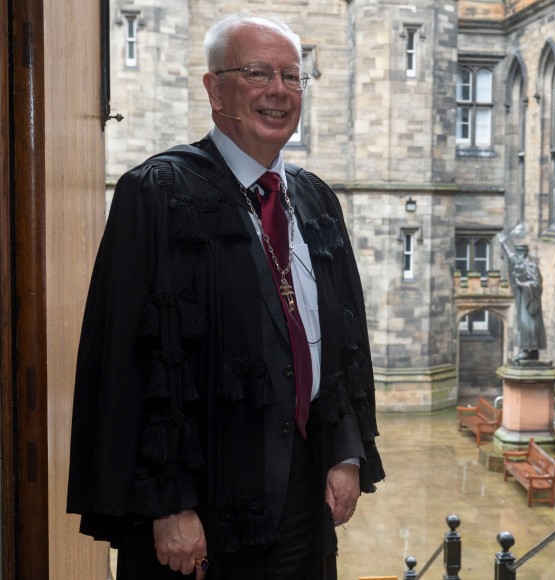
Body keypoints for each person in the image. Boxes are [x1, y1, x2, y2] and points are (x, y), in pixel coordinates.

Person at [66, 15, 384, 579]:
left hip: (303, 491)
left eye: (293, 75)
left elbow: (340, 341)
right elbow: (129, 363)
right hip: (205, 504)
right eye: (257, 72)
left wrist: (344, 449)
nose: (278, 90)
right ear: (215, 89)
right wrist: (168, 503)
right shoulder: (160, 193)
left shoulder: (314, 199)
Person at [498, 234, 547, 362]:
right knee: (523, 324)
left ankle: (529, 350)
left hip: (530, 300)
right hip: (522, 298)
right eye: (517, 253)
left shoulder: (531, 266)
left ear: (524, 254)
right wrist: (503, 243)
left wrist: (522, 285)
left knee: (529, 324)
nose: (517, 256)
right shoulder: (518, 263)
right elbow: (510, 257)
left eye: (519, 254)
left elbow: (537, 283)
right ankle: (529, 351)